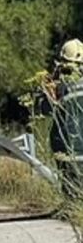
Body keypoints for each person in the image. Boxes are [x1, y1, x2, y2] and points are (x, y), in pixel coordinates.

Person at [48, 39, 83, 194]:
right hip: (70, 145)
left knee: (69, 187)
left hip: (65, 145)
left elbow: (43, 109)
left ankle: (71, 208)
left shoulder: (60, 87)